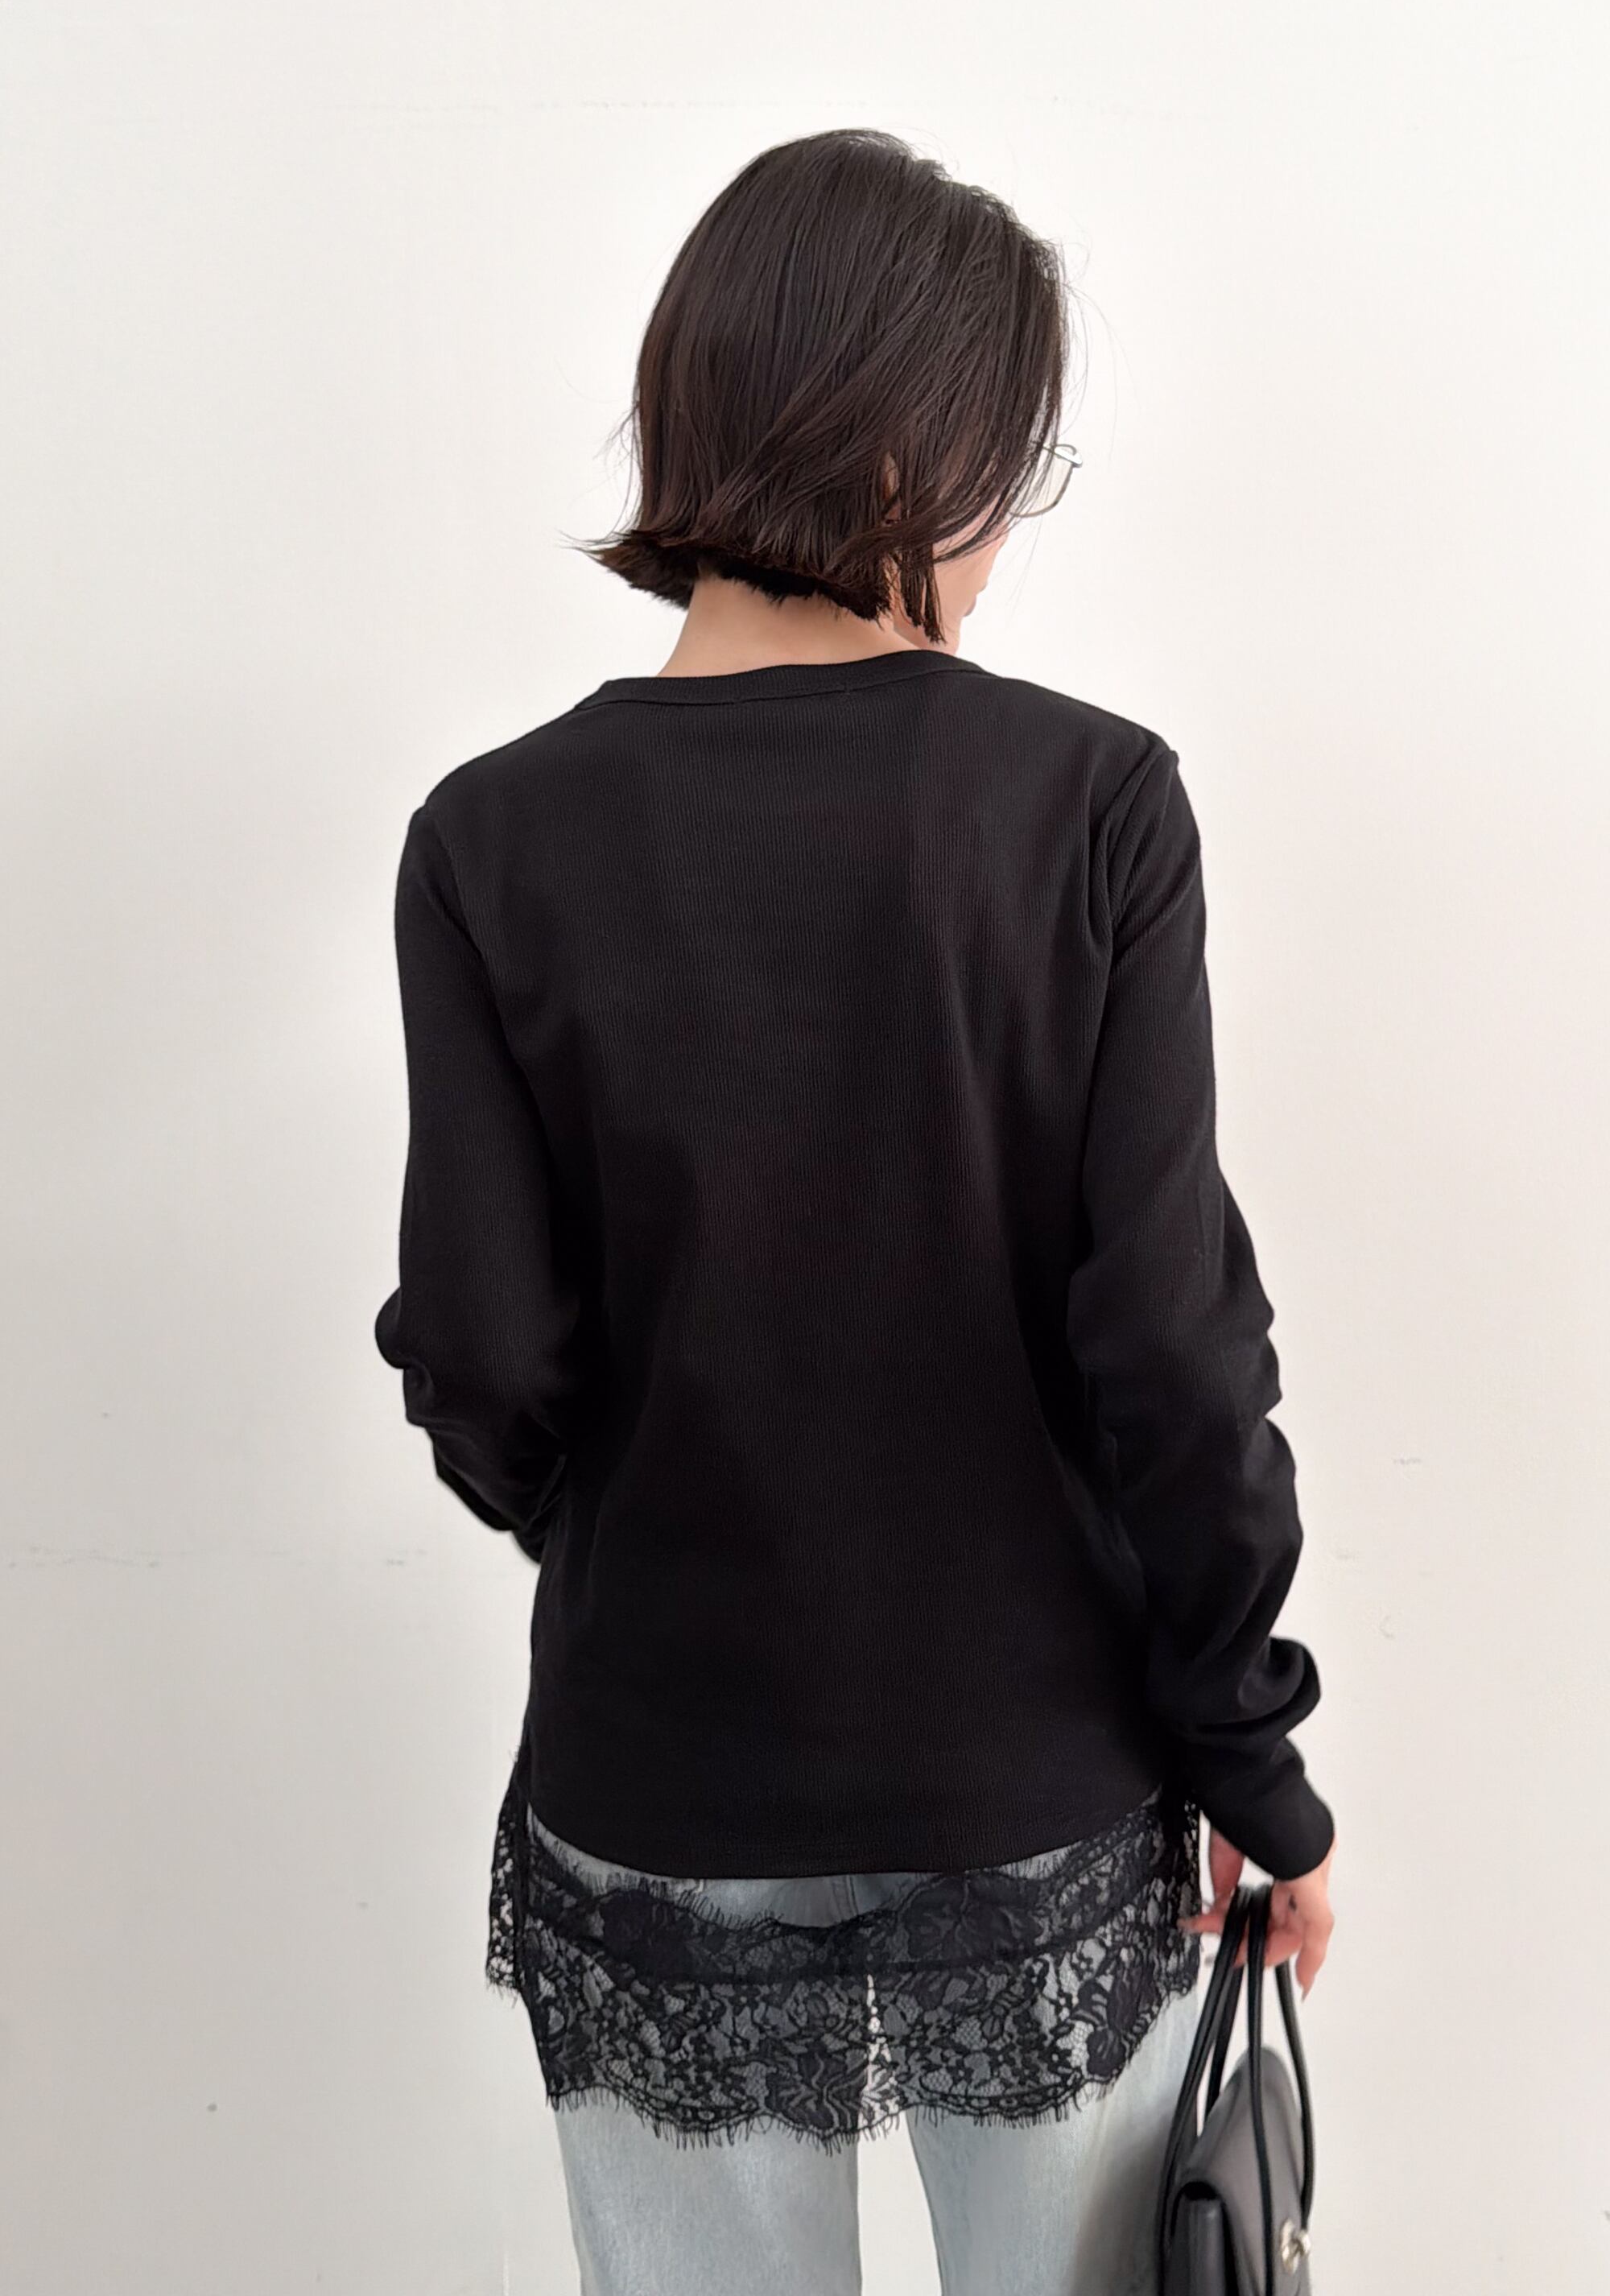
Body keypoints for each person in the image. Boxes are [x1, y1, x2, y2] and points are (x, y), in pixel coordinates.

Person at [374, 126, 1336, 2296]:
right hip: (1036, 1776)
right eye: (1008, 461)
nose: (1004, 531)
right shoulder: (1092, 804)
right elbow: (1171, 1347)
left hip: (661, 1771)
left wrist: (632, 1511)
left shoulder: (487, 841)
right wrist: (1254, 1768)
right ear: (907, 448)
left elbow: (489, 1360)